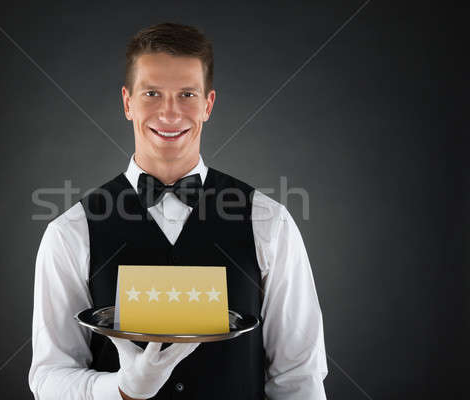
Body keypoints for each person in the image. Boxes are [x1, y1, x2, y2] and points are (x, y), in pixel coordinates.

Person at [28, 22, 327, 400]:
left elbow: (299, 376)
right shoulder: (70, 231)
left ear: (208, 105)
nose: (169, 114)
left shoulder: (269, 222)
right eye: (152, 93)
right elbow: (50, 378)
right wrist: (121, 389)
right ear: (127, 103)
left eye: (186, 94)